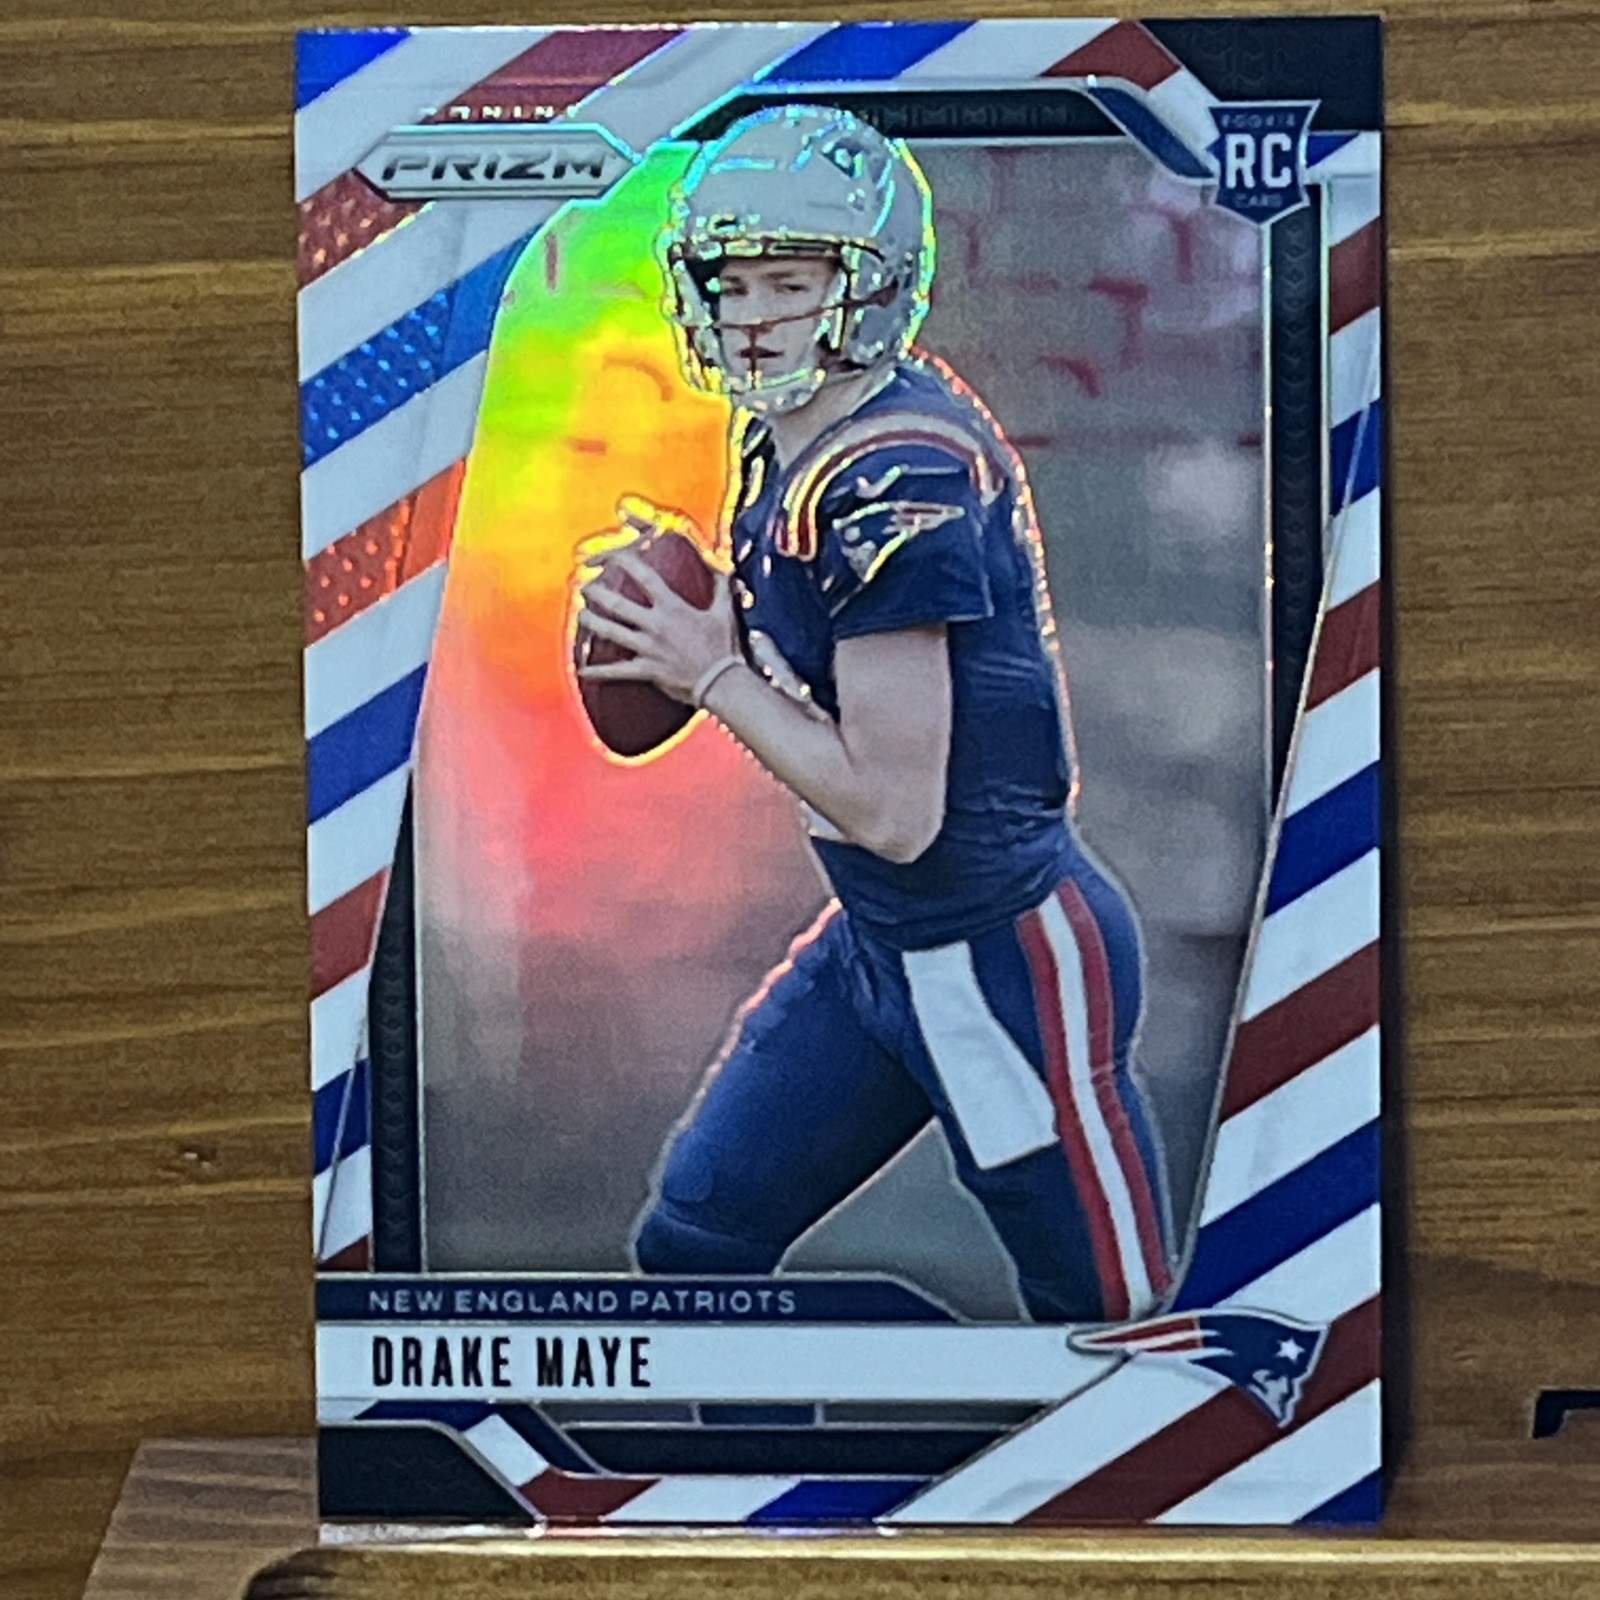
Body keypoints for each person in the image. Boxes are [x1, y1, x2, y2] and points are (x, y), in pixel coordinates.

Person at [575, 104, 1173, 1323]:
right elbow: (825, 642)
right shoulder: (795, 431)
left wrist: (711, 671)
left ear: (870, 287)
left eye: (790, 281)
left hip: (992, 958)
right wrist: (698, 601)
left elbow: (897, 812)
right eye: (730, 281)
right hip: (881, 941)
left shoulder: (895, 471)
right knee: (696, 1240)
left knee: (1112, 1327)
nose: (751, 315)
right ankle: (833, 1441)